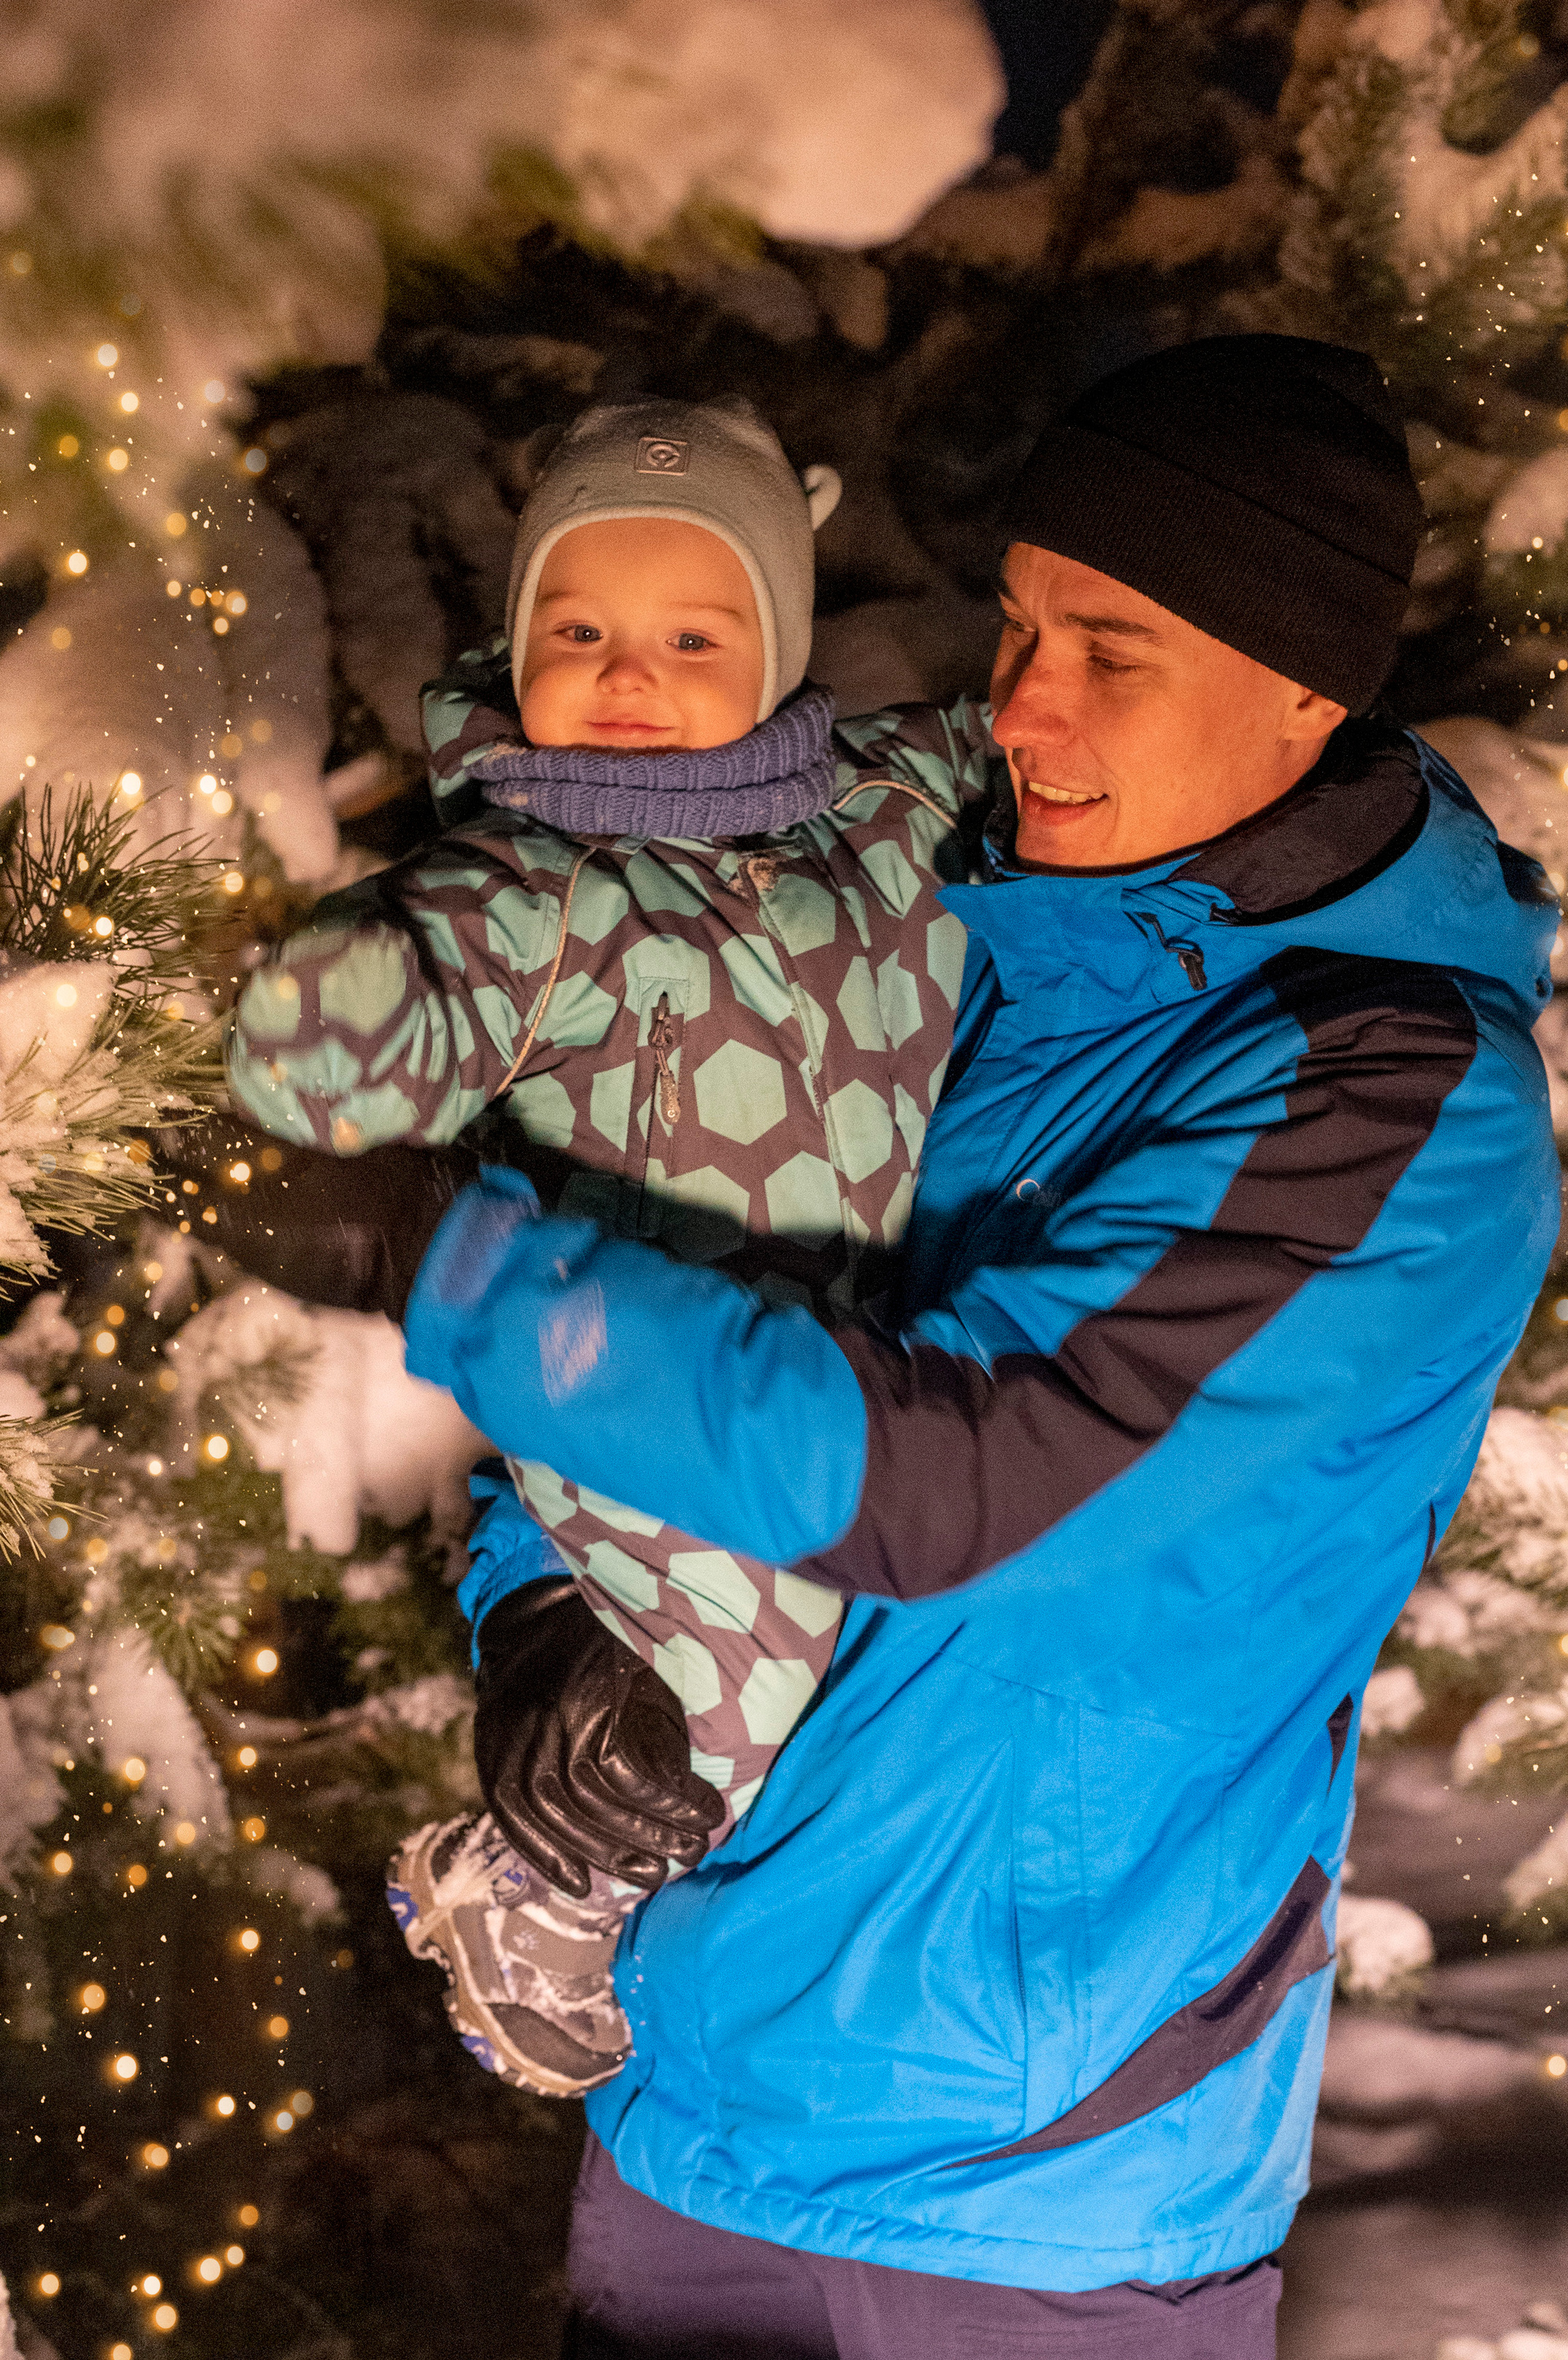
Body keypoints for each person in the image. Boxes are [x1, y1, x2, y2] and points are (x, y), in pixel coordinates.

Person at [273, 335, 1563, 2360]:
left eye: (1116, 652)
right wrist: (539, 1622)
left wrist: (435, 1259)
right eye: (1021, 627)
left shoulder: (1388, 1085)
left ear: (1304, 688)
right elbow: (658, 1336)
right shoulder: (920, 936)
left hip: (1047, 2176)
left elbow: (958, 1469)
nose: (1025, 707)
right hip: (698, 2117)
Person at [218, 393, 990, 2094]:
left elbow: (1016, 750)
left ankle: (604, 1867)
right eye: (577, 632)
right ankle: (540, 1890)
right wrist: (334, 1008)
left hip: (828, 1376)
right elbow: (382, 1012)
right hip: (633, 1384)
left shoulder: (891, 809)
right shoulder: (538, 890)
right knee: (744, 1682)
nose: (626, 674)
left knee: (847, 1647)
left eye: (689, 636)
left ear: (779, 645)